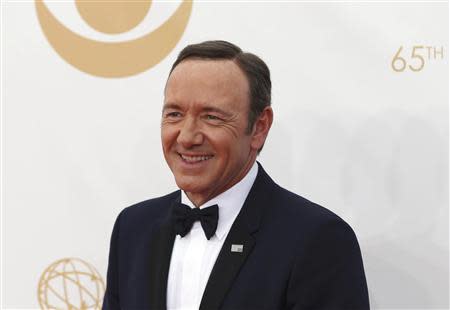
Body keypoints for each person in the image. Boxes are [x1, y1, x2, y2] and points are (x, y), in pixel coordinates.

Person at [102, 40, 370, 310]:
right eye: (174, 114)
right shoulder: (133, 229)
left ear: (259, 128)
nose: (186, 137)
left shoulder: (316, 240)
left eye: (212, 117)